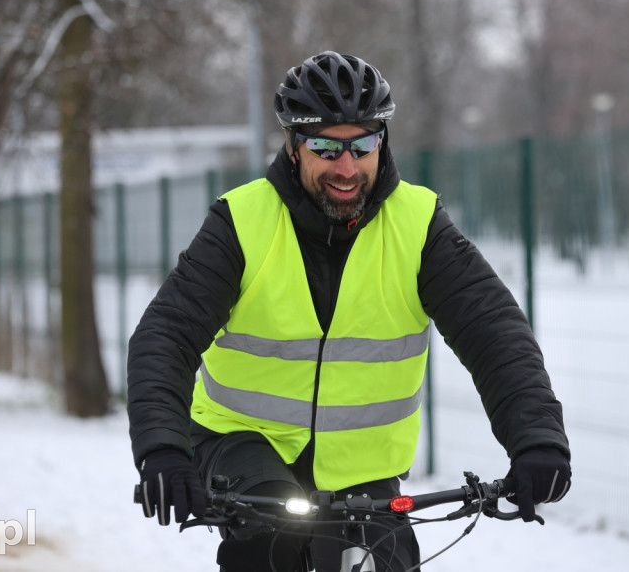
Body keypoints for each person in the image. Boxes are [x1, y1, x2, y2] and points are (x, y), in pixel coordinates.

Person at [127, 51, 570, 572]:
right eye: (326, 147)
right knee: (272, 544)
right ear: (295, 148)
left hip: (364, 471)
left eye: (363, 145)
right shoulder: (241, 222)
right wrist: (162, 450)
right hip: (243, 442)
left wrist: (538, 439)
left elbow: (495, 334)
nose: (347, 166)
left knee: (383, 562)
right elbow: (165, 335)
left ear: (382, 142)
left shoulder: (419, 226)